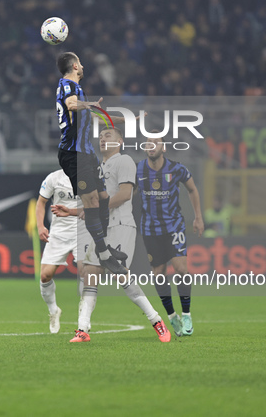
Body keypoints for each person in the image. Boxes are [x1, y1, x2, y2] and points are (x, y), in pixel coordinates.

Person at [52, 127, 171, 343]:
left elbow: (125, 194)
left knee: (121, 275)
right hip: (101, 228)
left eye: (108, 136)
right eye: (101, 136)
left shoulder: (123, 161)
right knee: (89, 273)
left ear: (120, 141)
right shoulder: (98, 166)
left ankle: (156, 320)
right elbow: (92, 202)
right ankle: (82, 329)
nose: (103, 139)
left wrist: (95, 210)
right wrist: (72, 211)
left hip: (121, 225)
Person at [55, 51, 131, 276]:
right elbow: (71, 105)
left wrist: (128, 120)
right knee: (91, 201)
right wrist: (87, 104)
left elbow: (98, 115)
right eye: (80, 61)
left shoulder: (79, 91)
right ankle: (104, 255)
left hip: (87, 154)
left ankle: (104, 247)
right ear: (75, 65)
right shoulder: (68, 86)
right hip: (73, 153)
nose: (83, 64)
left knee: (104, 198)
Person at [137, 132, 204, 337]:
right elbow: (126, 192)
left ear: (163, 148)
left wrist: (198, 217)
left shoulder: (176, 168)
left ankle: (186, 314)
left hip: (173, 226)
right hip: (150, 229)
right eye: (148, 142)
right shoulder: (138, 169)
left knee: (181, 269)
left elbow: (192, 189)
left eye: (156, 142)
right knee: (158, 274)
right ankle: (172, 315)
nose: (151, 145)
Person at [36, 168, 90, 334]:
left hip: (83, 230)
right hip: (59, 232)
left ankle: (84, 314)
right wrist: (40, 226)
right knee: (45, 275)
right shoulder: (54, 178)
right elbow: (41, 202)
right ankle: (53, 310)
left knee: (86, 272)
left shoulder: (90, 176)